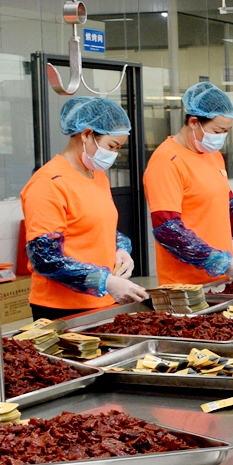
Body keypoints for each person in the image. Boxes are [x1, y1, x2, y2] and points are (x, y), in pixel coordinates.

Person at [22, 97, 146, 321]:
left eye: (118, 148)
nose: (115, 155)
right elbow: (45, 258)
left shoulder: (97, 175)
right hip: (62, 309)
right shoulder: (49, 183)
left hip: (102, 301)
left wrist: (120, 249)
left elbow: (97, 224)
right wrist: (104, 281)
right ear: (87, 134)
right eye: (111, 146)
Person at [143, 82, 233, 286]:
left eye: (227, 131)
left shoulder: (213, 155)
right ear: (193, 122)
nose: (221, 138)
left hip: (221, 278)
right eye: (217, 131)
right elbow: (168, 230)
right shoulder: (167, 162)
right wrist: (222, 262)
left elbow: (229, 206)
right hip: (186, 285)